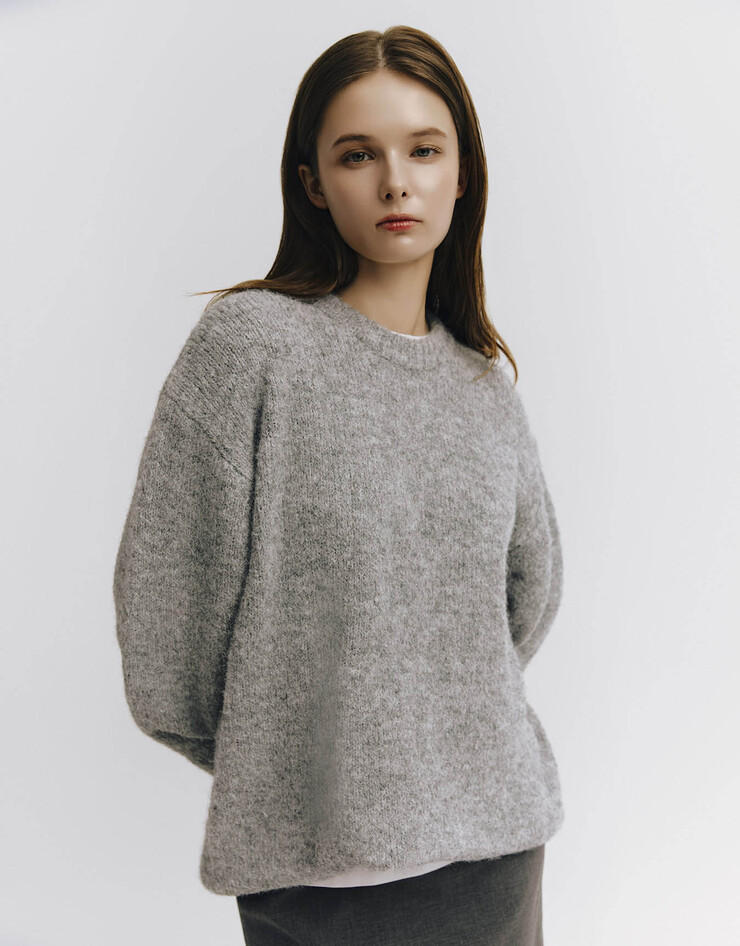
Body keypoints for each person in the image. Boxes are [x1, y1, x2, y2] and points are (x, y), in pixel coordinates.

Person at [113, 24, 565, 946]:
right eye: (359, 155)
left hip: (493, 862)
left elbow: (527, 601)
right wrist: (291, 764)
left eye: (424, 150)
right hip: (310, 877)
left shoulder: (482, 385)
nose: (396, 181)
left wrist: (426, 722)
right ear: (313, 183)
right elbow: (165, 608)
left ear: (463, 174)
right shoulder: (253, 348)